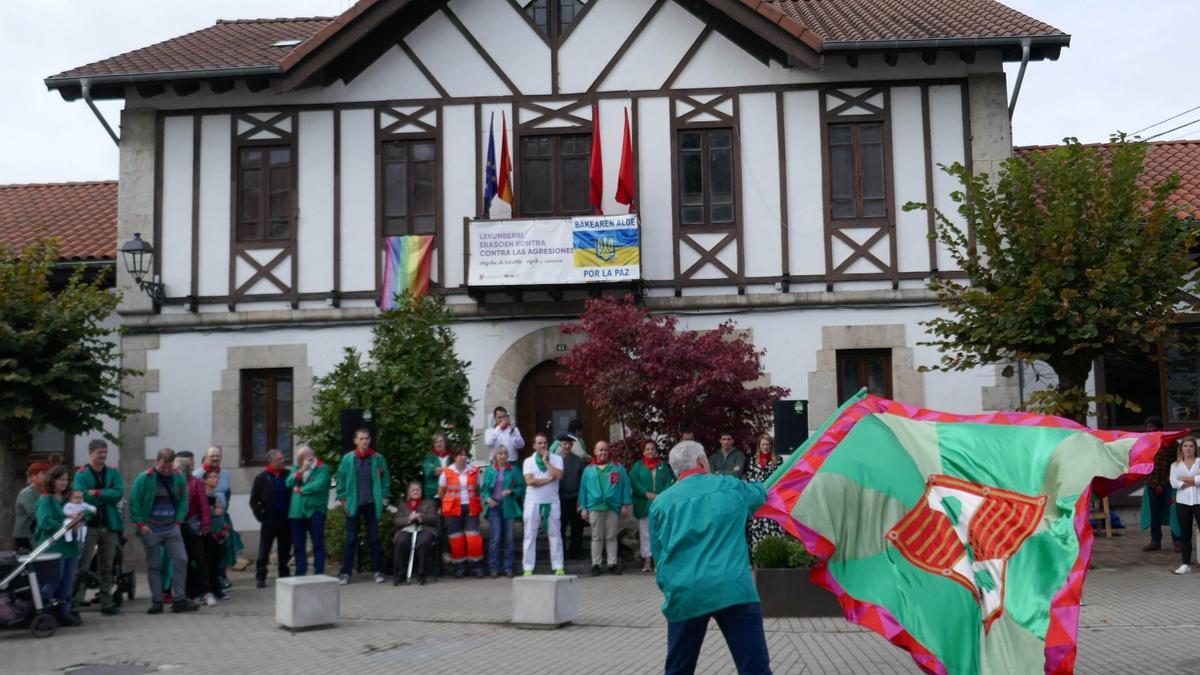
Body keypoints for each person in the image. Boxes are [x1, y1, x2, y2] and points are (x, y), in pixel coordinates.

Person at [651, 441, 771, 674]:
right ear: (701, 461)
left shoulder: (660, 504)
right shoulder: (730, 486)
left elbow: (658, 554)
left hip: (685, 591)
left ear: (675, 469)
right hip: (733, 588)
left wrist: (669, 587)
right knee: (755, 669)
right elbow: (760, 494)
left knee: (678, 669)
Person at [131, 449, 197, 614]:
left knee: (181, 559)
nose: (166, 470)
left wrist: (178, 521)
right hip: (151, 528)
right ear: (156, 462)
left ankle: (179, 599)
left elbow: (183, 500)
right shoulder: (144, 478)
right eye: (163, 467)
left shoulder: (178, 477)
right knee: (154, 565)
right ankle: (157, 601)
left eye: (169, 467)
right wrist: (140, 524)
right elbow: (134, 501)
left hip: (171, 528)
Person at [70, 439, 125, 615]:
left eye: (105, 452)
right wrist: (105, 496)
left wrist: (97, 492)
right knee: (83, 565)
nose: (103, 455)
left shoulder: (112, 473)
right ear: (91, 453)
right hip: (88, 526)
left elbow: (119, 493)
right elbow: (82, 497)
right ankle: (75, 602)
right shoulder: (81, 474)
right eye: (99, 452)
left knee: (107, 565)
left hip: (109, 525)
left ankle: (106, 601)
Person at [336, 428, 390, 585]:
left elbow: (385, 479)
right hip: (353, 504)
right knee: (351, 538)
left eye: (366, 438)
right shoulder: (348, 459)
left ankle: (377, 570)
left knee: (374, 538)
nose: (364, 441)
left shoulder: (378, 458)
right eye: (361, 439)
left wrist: (383, 497)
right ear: (355, 441)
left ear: (370, 440)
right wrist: (343, 500)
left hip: (371, 504)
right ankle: (345, 572)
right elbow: (341, 480)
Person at [34, 465, 85, 626]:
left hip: (70, 547)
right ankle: (41, 611)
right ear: (52, 480)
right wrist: (66, 526)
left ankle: (65, 612)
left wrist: (79, 521)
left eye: (66, 479)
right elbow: (44, 521)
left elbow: (81, 513)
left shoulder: (68, 499)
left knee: (68, 582)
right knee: (53, 580)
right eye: (60, 479)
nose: (64, 482)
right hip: (53, 547)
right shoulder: (45, 499)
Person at [578, 441, 633, 575]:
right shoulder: (588, 469)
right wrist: (583, 507)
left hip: (612, 506)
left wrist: (625, 504)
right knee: (596, 537)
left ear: (609, 452)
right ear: (595, 452)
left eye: (605, 450)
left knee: (611, 536)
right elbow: (583, 490)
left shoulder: (617, 468)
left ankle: (612, 563)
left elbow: (625, 486)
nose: (603, 452)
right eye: (600, 450)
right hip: (595, 507)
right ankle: (596, 564)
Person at [173, 452, 214, 606]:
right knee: (184, 560)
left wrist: (205, 524)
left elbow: (204, 504)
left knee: (199, 558)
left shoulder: (196, 483)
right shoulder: (173, 482)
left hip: (192, 526)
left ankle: (206, 591)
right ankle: (187, 592)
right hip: (177, 526)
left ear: (184, 469)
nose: (174, 471)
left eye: (176, 468)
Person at [522, 432, 565, 575]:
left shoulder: (557, 459)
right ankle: (528, 567)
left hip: (552, 501)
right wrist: (549, 479)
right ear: (534, 446)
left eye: (545, 442)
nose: (543, 445)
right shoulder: (528, 461)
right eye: (539, 443)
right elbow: (530, 481)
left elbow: (559, 475)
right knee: (530, 535)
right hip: (533, 502)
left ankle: (558, 566)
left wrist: (547, 462)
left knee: (555, 534)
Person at [438, 446, 485, 577]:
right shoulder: (447, 472)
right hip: (453, 510)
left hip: (471, 508)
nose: (463, 457)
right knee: (456, 539)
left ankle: (476, 566)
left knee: (473, 538)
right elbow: (441, 492)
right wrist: (450, 502)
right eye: (460, 455)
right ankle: (460, 567)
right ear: (455, 457)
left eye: (465, 455)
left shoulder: (473, 471)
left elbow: (477, 489)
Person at [630, 439, 675, 573]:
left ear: (656, 451)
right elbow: (634, 481)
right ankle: (647, 560)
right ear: (643, 452)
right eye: (648, 449)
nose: (650, 451)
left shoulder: (663, 466)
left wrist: (661, 495)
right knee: (645, 532)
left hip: (660, 503)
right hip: (644, 504)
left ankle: (658, 560)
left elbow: (670, 481)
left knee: (660, 531)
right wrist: (645, 492)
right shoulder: (637, 467)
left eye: (653, 449)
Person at [250, 449, 292, 588]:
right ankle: (261, 576)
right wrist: (261, 515)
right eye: (279, 459)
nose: (283, 461)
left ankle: (284, 574)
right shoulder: (262, 478)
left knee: (284, 549)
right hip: (269, 520)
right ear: (271, 462)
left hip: (286, 519)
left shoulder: (288, 475)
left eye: (282, 458)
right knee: (264, 550)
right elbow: (254, 500)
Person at [287, 445, 331, 577]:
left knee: (318, 543)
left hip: (315, 510)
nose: (298, 461)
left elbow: (318, 485)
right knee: (298, 545)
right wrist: (302, 470)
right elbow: (289, 483)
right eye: (298, 458)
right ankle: (300, 572)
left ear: (309, 457)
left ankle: (319, 572)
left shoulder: (322, 468)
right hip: (297, 512)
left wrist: (300, 490)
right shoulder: (297, 468)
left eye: (301, 458)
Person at [481, 446, 524, 578]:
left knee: (509, 538)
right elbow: (484, 490)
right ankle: (493, 567)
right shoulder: (489, 470)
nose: (503, 456)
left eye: (505, 453)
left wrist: (511, 491)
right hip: (494, 506)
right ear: (495, 456)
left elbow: (521, 487)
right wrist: (488, 499)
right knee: (495, 538)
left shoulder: (514, 470)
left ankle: (508, 567)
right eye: (500, 454)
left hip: (508, 506)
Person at [195, 445, 232, 591]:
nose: (215, 458)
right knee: (208, 553)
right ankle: (208, 584)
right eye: (212, 456)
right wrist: (210, 512)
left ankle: (221, 579)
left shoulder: (225, 474)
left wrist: (222, 510)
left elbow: (227, 494)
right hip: (206, 521)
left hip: (221, 519)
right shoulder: (198, 474)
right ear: (206, 457)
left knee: (222, 550)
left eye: (218, 455)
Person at [1143, 416, 1181, 552]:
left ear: (1159, 428)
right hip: (1152, 483)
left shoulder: (1171, 443)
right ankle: (1155, 541)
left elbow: (1179, 461)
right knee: (1154, 514)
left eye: (1152, 426)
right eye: (1147, 427)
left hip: (1168, 484)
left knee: (1173, 513)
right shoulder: (1145, 443)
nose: (1149, 429)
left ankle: (1178, 541)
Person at [745, 434, 786, 557]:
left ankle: (776, 555)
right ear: (759, 446)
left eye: (768, 444)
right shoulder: (752, 460)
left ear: (771, 446)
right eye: (763, 444)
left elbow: (781, 478)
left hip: (773, 499)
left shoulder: (778, 460)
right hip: (758, 499)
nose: (765, 447)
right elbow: (750, 478)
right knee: (756, 527)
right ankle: (757, 557)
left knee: (773, 526)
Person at [392, 481, 439, 585]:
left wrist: (421, 517)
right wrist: (409, 519)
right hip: (407, 529)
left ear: (421, 492)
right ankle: (400, 575)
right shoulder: (402, 505)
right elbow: (397, 521)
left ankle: (421, 574)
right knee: (401, 541)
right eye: (413, 490)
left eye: (418, 490)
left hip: (425, 529)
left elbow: (434, 518)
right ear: (408, 493)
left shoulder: (429, 503)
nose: (416, 492)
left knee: (424, 541)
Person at [203, 469, 238, 600]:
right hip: (208, 532)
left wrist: (224, 528)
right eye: (212, 477)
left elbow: (221, 513)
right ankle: (208, 590)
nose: (216, 480)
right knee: (208, 561)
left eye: (217, 477)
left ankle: (217, 589)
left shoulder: (215, 495)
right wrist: (214, 511)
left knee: (217, 561)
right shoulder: (204, 495)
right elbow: (205, 512)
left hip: (218, 532)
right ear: (205, 480)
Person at [1170, 436, 1200, 575]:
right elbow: (1174, 483)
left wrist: (1183, 478)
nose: (1188, 449)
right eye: (1185, 446)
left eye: (1191, 446)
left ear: (1195, 448)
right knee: (1185, 534)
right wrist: (1194, 480)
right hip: (1183, 502)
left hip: (1199, 501)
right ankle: (1185, 565)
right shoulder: (1175, 465)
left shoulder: (1199, 462)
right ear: (1181, 448)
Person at [555, 435, 587, 559]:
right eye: (565, 443)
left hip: (575, 497)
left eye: (569, 444)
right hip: (560, 498)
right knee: (560, 527)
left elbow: (583, 481)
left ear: (572, 445)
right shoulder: (554, 460)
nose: (567, 446)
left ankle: (576, 552)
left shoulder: (578, 460)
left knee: (577, 527)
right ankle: (560, 553)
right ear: (560, 445)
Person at [14, 461, 50, 552]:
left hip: (38, 534)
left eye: (48, 473)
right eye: (43, 473)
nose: (47, 476)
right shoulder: (27, 493)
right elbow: (35, 514)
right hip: (25, 537)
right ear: (33, 477)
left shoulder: (45, 492)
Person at [421, 433, 451, 502]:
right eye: (436, 442)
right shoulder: (429, 457)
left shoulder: (451, 456)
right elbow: (429, 472)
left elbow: (456, 472)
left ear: (445, 443)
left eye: (441, 441)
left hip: (449, 493)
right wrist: (448, 470)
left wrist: (438, 470)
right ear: (433, 445)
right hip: (432, 493)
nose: (438, 444)